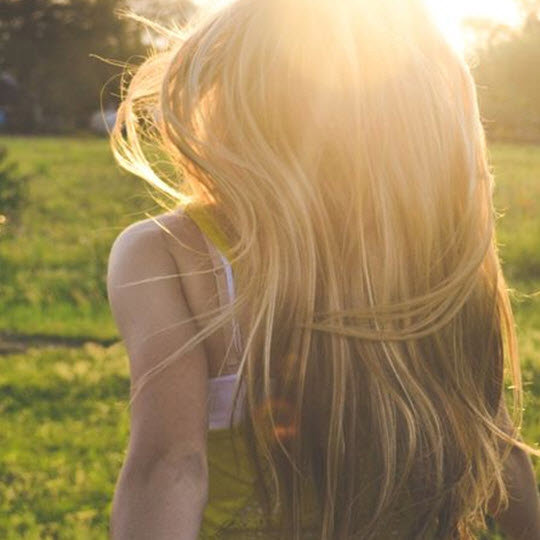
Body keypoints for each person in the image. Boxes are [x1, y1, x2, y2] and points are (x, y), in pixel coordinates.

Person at [105, 0, 540, 538]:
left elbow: (169, 466)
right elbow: (497, 446)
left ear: (229, 95)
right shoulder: (440, 262)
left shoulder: (168, 253)